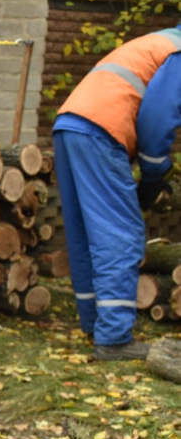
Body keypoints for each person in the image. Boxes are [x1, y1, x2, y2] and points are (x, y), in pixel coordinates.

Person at [52, 24, 180, 361]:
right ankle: (115, 338)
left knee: (85, 233)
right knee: (120, 233)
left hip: (70, 125)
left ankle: (95, 323)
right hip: (101, 131)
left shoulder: (160, 42)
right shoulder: (178, 54)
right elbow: (158, 120)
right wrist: (154, 176)